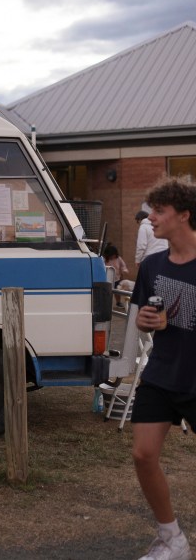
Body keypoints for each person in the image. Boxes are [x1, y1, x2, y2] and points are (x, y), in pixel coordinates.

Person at [130, 177, 196, 560]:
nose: (151, 217)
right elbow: (143, 317)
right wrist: (147, 322)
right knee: (143, 454)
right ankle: (173, 540)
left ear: (184, 215)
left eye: (159, 211)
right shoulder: (153, 264)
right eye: (151, 210)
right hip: (161, 373)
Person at [102, 243, 132, 307]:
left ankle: (118, 302)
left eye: (114, 255)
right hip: (107, 279)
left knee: (117, 291)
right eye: (112, 255)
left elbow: (123, 266)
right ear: (108, 255)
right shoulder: (104, 260)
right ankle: (105, 303)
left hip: (116, 278)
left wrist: (124, 270)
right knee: (107, 292)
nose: (113, 257)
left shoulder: (118, 258)